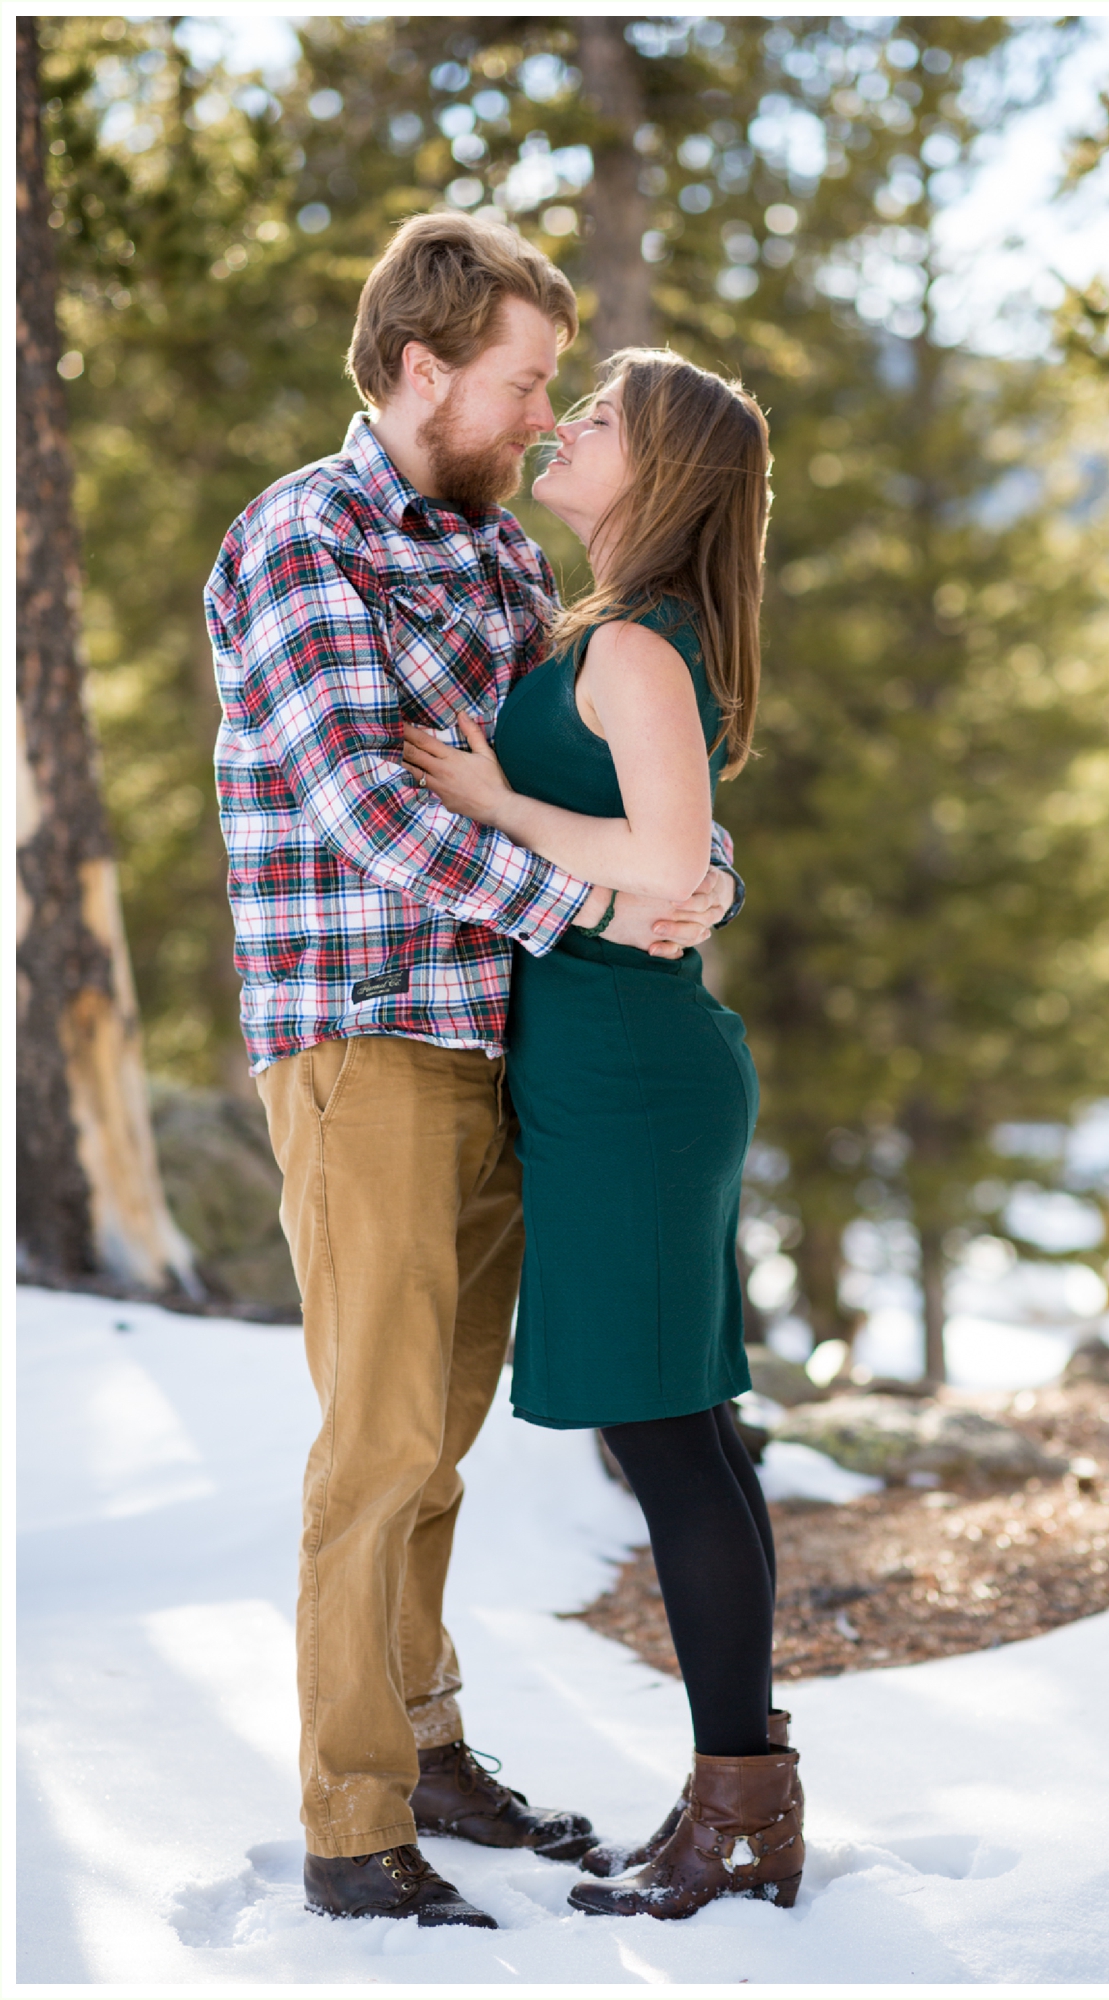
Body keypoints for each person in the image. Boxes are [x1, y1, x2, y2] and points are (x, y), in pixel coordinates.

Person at [205, 212, 743, 1930]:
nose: (535, 418)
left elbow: (578, 769)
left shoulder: (507, 561)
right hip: (360, 1038)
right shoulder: (301, 539)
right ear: (420, 368)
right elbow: (371, 813)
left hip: (505, 1042)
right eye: (518, 384)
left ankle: (430, 1749)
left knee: (435, 1445)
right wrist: (604, 896)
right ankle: (354, 1822)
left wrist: (686, 872)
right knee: (372, 1446)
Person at [402, 350, 804, 1921]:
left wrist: (495, 803)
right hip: (610, 1065)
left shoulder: (637, 644)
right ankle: (741, 1799)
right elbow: (684, 852)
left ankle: (734, 1812)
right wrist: (663, 867)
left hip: (630, 1072)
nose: (564, 426)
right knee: (685, 1431)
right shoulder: (613, 629)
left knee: (665, 1442)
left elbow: (654, 855)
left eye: (599, 418)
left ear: (662, 475)